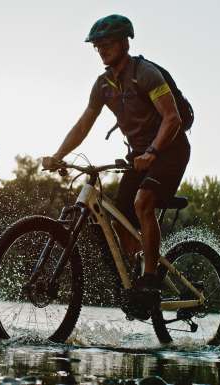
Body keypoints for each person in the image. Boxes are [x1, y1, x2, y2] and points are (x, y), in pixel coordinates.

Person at [42, 14, 190, 317]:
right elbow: (85, 123)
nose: (102, 49)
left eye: (107, 43)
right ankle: (137, 276)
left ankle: (150, 279)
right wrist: (58, 155)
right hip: (139, 156)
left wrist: (152, 151)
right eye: (97, 46)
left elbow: (172, 118)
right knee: (120, 217)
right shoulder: (103, 86)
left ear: (125, 41)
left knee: (143, 201)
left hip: (170, 149)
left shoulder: (146, 74)